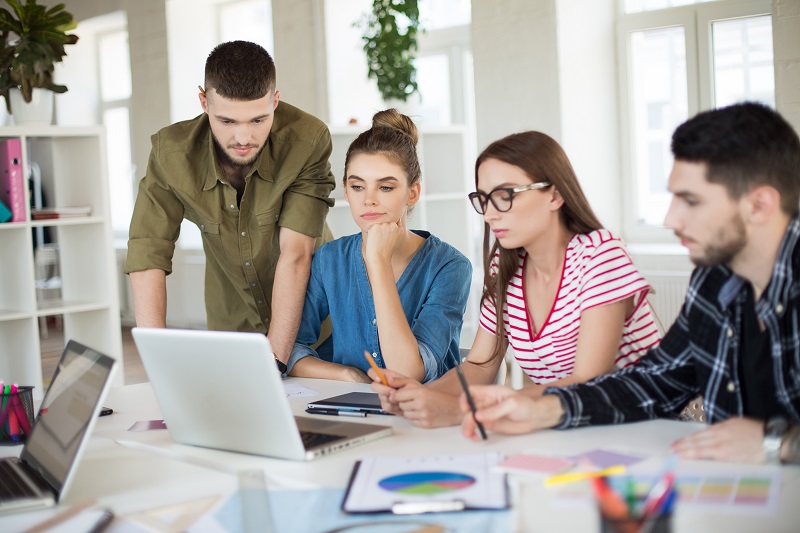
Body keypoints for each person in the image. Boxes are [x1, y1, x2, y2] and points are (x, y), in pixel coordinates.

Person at [460, 102, 800, 466]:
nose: (670, 219)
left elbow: (594, 375)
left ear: (760, 205)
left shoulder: (599, 254)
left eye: (691, 201)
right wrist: (542, 411)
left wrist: (775, 443)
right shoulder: (714, 281)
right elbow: (654, 381)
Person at [370, 131, 661, 425]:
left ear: (555, 194)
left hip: (645, 426)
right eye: (483, 199)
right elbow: (480, 365)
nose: (489, 215)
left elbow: (588, 380)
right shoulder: (506, 265)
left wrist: (464, 410)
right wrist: (421, 397)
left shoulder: (599, 253)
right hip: (571, 430)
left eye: (504, 195)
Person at [124, 41, 335, 372]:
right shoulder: (171, 154)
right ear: (204, 102)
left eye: (258, 120)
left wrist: (275, 362)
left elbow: (296, 254)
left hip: (318, 325)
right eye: (226, 121)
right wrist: (159, 361)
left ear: (275, 100)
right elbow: (147, 251)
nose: (243, 137)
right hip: (233, 328)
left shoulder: (307, 140)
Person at [286, 109, 471, 383]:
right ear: (346, 191)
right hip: (349, 412)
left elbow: (410, 373)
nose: (369, 200)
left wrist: (378, 262)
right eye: (358, 186)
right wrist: (347, 374)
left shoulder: (450, 267)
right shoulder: (329, 259)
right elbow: (288, 349)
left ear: (412, 193)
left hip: (426, 416)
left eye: (385, 187)